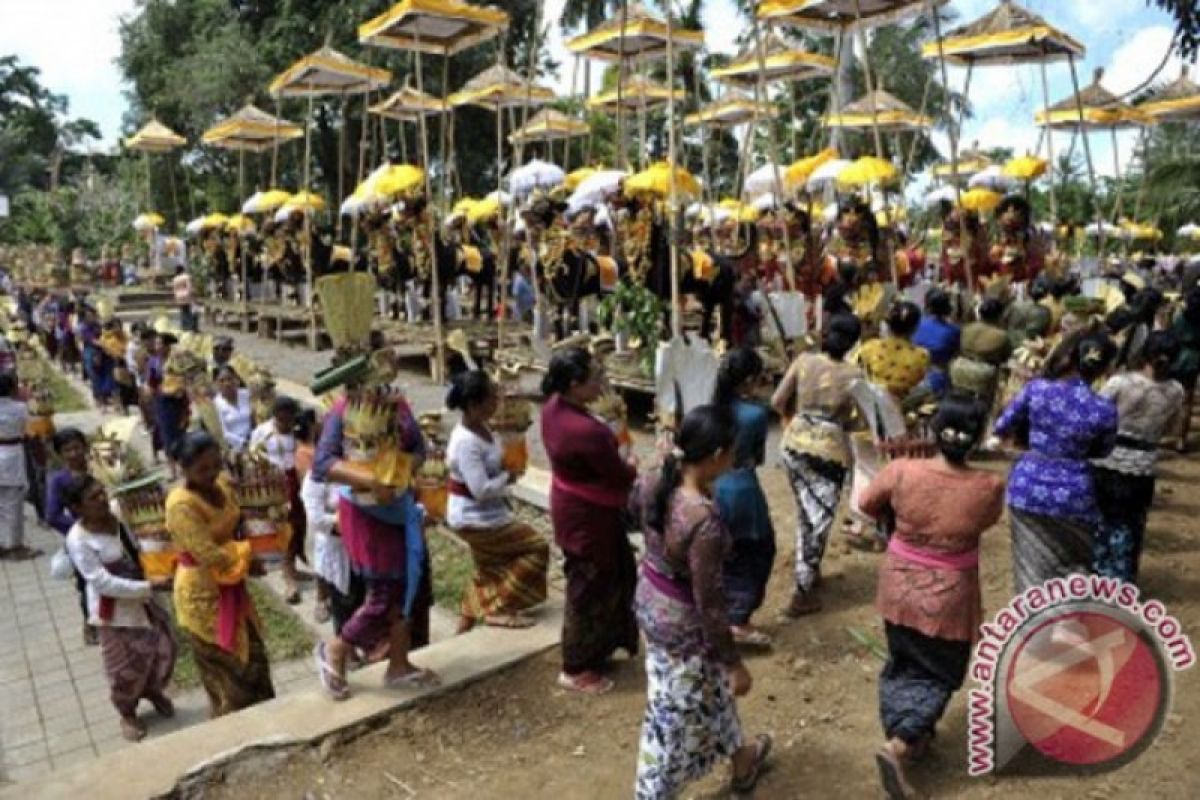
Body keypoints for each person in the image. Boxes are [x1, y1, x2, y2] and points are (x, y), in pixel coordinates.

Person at [859, 395, 1004, 800]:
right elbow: (986, 521)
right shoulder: (989, 485)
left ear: (932, 431)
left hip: (899, 585)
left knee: (903, 661)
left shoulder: (902, 470)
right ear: (975, 440)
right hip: (949, 594)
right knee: (940, 672)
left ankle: (910, 733)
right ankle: (900, 744)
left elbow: (867, 504)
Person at [630, 404, 773, 799]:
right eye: (732, 452)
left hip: (651, 599)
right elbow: (709, 604)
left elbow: (632, 518)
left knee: (706, 690)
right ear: (715, 456)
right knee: (671, 714)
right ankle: (651, 793)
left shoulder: (653, 479)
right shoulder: (703, 519)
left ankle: (742, 759)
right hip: (684, 627)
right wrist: (734, 661)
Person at [312, 371, 436, 700]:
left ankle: (398, 664)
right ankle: (337, 647)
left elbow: (418, 449)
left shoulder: (399, 406)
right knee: (383, 591)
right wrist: (370, 480)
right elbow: (323, 464)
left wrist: (400, 470)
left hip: (399, 506)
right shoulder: (341, 411)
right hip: (365, 510)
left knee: (406, 587)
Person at [541, 347, 638, 695]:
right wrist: (631, 464)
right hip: (588, 516)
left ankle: (599, 648)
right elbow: (617, 473)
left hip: (575, 507)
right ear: (574, 384)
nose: (601, 384)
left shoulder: (553, 410)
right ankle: (576, 665)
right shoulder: (585, 430)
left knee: (610, 575)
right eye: (594, 378)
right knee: (589, 587)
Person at [994, 334, 1118, 592]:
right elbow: (1104, 451)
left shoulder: (1037, 389)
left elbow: (1002, 426)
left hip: (1027, 488)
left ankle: (1032, 626)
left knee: (1029, 571)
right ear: (1106, 368)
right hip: (1076, 495)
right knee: (1072, 570)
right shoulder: (1104, 409)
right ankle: (1065, 624)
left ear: (1071, 358)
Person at [165, 432, 275, 716]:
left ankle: (266, 712)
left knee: (253, 656)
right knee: (227, 668)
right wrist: (247, 553)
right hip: (203, 593)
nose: (212, 474)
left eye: (216, 465)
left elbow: (238, 521)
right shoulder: (181, 505)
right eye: (202, 470)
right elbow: (209, 554)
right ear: (182, 468)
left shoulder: (223, 484)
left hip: (231, 582)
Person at [63, 474, 177, 742]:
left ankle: (153, 690)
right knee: (124, 668)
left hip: (144, 596)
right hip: (115, 611)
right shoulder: (78, 540)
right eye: (93, 497)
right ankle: (127, 712)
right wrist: (148, 587)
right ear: (78, 508)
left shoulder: (117, 514)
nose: (102, 498)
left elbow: (141, 535)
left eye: (102, 491)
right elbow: (101, 582)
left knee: (164, 648)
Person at [771, 314, 864, 616]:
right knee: (818, 519)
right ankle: (801, 593)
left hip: (794, 443)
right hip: (829, 449)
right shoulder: (854, 375)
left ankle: (810, 570)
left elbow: (776, 400)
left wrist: (794, 420)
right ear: (852, 343)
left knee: (806, 511)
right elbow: (857, 421)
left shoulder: (803, 361)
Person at [445, 370, 549, 631]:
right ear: (472, 405)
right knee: (537, 548)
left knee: (490, 567)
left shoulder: (483, 427)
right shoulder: (466, 442)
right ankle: (500, 607)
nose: (496, 403)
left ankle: (465, 622)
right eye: (491, 398)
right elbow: (480, 489)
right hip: (474, 517)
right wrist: (507, 478)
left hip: (486, 512)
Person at [1093, 331, 1185, 582]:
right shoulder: (1176, 391)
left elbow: (1095, 415)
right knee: (1131, 525)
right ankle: (1122, 579)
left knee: (1102, 520)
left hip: (1108, 460)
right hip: (1143, 464)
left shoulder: (1120, 383)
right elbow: (1170, 430)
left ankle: (1098, 574)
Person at [710, 348, 775, 646]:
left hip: (713, 485)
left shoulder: (711, 408)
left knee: (723, 553)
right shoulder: (755, 415)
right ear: (749, 379)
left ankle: (720, 612)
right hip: (742, 489)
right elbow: (757, 457)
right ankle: (738, 618)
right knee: (757, 552)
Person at [250, 395, 308, 603]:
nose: (287, 424)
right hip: (275, 486)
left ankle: (293, 566)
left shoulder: (299, 431)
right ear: (275, 416)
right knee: (284, 529)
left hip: (298, 482)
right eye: (283, 420)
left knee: (299, 527)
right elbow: (253, 458)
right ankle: (289, 577)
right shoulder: (262, 432)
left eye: (290, 419)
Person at [45, 427, 97, 644]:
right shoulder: (58, 480)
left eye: (77, 447)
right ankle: (91, 623)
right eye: (67, 450)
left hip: (109, 531)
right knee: (87, 581)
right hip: (83, 538)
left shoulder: (98, 468)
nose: (74, 454)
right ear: (60, 454)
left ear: (84, 447)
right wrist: (80, 527)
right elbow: (53, 515)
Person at [855, 301, 930, 403]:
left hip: (871, 406)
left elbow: (856, 374)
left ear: (888, 324)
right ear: (915, 328)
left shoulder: (869, 347)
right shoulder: (922, 356)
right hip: (902, 410)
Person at [0, 372, 36, 561]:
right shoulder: (20, 408)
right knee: (13, 504)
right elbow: (29, 431)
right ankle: (15, 546)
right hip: (12, 453)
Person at [911, 289, 960, 399]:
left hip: (913, 375)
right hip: (938, 381)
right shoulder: (954, 330)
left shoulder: (916, 324)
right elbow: (955, 354)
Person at [214, 365, 253, 453]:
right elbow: (223, 432)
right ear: (216, 383)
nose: (227, 383)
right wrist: (243, 443)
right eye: (222, 381)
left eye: (230, 379)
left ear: (236, 379)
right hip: (234, 448)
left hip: (255, 440)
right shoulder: (216, 404)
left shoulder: (246, 395)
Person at [173, 265, 197, 332]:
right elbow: (189, 287)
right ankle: (190, 327)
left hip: (179, 296)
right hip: (186, 295)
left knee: (183, 311)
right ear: (183, 270)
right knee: (189, 311)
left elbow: (174, 289)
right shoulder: (186, 277)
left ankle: (184, 326)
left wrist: (175, 297)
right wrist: (193, 295)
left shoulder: (175, 279)